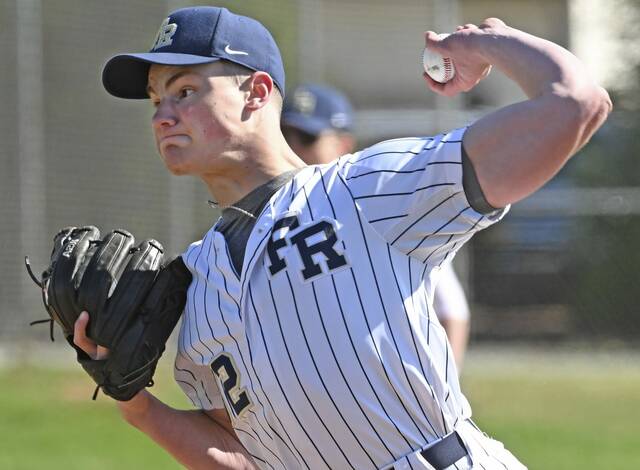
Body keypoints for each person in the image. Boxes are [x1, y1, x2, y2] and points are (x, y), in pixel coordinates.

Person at [73, 6, 611, 469]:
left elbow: (575, 104)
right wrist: (138, 407)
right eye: (155, 101)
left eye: (185, 91)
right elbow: (250, 457)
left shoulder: (366, 189)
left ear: (256, 93)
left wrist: (488, 42)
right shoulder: (197, 282)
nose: (163, 117)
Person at [282, 83, 472, 369]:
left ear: (343, 144)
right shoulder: (271, 214)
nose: (294, 147)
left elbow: (452, 307)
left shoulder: (381, 203)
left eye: (307, 138)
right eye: (284, 136)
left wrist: (447, 380)